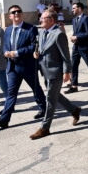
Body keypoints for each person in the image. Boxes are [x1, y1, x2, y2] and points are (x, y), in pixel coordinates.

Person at [0, 5, 47, 129]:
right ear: (9, 16)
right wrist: (5, 52)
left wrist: (17, 52)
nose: (16, 14)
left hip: (27, 66)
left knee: (36, 89)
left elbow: (33, 46)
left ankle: (45, 109)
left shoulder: (31, 29)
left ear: (22, 14)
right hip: (13, 66)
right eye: (13, 12)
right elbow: (5, 45)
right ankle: (4, 119)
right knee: (11, 93)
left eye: (19, 11)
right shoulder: (7, 29)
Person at [30, 9, 81, 140]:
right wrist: (37, 53)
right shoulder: (42, 32)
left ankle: (45, 127)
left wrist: (67, 72)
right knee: (55, 95)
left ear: (51, 20)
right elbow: (41, 48)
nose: (40, 20)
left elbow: (65, 56)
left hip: (56, 72)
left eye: (43, 18)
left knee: (50, 100)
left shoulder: (59, 34)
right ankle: (74, 110)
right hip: (45, 70)